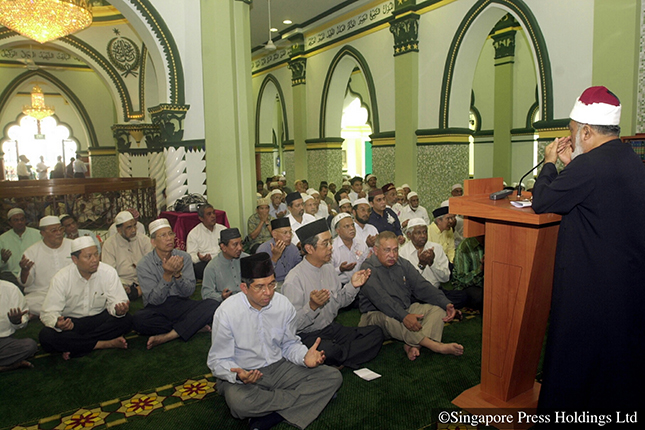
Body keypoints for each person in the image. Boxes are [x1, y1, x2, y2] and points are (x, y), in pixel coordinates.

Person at [532, 86, 645, 412]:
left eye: (571, 130)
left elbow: (542, 201)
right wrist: (574, 164)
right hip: (625, 288)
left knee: (575, 363)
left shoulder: (590, 166)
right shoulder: (630, 159)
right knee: (614, 366)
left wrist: (551, 163)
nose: (570, 136)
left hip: (589, 290)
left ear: (585, 130)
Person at [208, 252, 342, 430]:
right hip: (245, 374)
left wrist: (304, 357)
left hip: (279, 367)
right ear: (244, 287)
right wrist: (238, 375)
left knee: (332, 377)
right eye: (260, 287)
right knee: (239, 403)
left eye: (272, 284)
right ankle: (305, 398)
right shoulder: (227, 312)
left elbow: (289, 344)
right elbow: (217, 361)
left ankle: (272, 416)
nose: (268, 292)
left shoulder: (282, 304)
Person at [283, 219, 383, 369]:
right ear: (310, 248)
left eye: (330, 242)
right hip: (308, 336)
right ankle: (338, 357)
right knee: (329, 350)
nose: (331, 248)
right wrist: (312, 306)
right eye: (326, 244)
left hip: (331, 329)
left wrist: (353, 285)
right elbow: (292, 327)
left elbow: (340, 302)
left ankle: (338, 360)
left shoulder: (328, 268)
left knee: (376, 333)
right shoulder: (293, 280)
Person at [359, 231, 464, 361]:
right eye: (387, 250)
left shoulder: (403, 264)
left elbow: (422, 286)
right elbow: (382, 301)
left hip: (404, 309)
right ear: (375, 250)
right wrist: (404, 316)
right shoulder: (367, 268)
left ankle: (413, 345)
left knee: (437, 309)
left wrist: (446, 303)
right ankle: (435, 346)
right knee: (391, 317)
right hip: (375, 316)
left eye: (395, 250)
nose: (392, 255)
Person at [39, 237, 132, 360]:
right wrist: (58, 323)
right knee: (46, 336)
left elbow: (117, 301)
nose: (95, 260)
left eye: (96, 254)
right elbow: (48, 312)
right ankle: (103, 344)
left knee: (127, 320)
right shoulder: (61, 278)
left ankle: (78, 346)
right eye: (88, 257)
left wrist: (119, 310)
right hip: (72, 324)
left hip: (99, 320)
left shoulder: (108, 272)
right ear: (75, 259)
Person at [133, 218, 219, 349]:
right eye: (163, 235)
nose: (169, 239)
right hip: (158, 308)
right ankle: (192, 325)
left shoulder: (184, 257)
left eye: (170, 234)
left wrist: (178, 275)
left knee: (213, 305)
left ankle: (169, 335)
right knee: (138, 320)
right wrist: (167, 276)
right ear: (153, 241)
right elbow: (154, 301)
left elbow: (189, 291)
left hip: (181, 304)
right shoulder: (144, 265)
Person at [398, 219, 468, 309]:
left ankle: (433, 307)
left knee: (462, 296)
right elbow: (406, 283)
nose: (423, 236)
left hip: (435, 291)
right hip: (415, 294)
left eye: (425, 232)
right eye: (418, 233)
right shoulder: (402, 253)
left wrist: (432, 263)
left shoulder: (437, 248)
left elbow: (445, 278)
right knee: (407, 301)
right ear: (409, 235)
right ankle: (438, 307)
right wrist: (421, 265)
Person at [19, 216, 73, 316]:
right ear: (43, 233)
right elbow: (25, 283)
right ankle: (63, 311)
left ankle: (47, 312)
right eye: (54, 230)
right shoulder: (31, 252)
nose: (59, 233)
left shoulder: (73, 246)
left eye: (60, 229)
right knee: (27, 302)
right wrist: (25, 271)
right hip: (43, 294)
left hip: (71, 292)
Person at [101, 210, 153, 301]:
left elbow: (151, 265)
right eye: (129, 227)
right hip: (122, 284)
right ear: (119, 230)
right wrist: (122, 285)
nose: (133, 230)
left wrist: (143, 285)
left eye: (134, 226)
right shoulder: (109, 244)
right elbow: (109, 271)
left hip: (143, 281)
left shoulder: (144, 240)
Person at [202, 228, 249, 302]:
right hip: (226, 305)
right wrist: (221, 297)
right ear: (223, 247)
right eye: (235, 244)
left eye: (241, 243)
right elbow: (206, 294)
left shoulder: (248, 259)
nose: (240, 248)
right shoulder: (212, 267)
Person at [0, 280, 38, 371]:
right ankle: (6, 366)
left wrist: (17, 321)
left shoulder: (11, 289)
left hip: (3, 341)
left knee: (29, 346)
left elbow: (23, 319)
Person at [256, 218, 301, 289]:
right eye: (285, 233)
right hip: (272, 286)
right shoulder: (263, 249)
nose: (289, 235)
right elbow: (260, 276)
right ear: (274, 234)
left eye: (290, 232)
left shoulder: (293, 248)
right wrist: (274, 258)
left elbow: (299, 269)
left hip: (292, 283)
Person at [0, 208, 41, 286]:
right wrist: (3, 260)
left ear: (25, 220)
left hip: (35, 273)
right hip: (11, 277)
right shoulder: (2, 239)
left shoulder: (38, 234)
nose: (20, 222)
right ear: (10, 223)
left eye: (22, 219)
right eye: (16, 220)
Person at [186, 203, 227, 280]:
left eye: (213, 213)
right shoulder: (194, 233)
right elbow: (190, 256)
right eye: (209, 214)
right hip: (206, 263)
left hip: (223, 260)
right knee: (198, 268)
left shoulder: (223, 230)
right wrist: (200, 258)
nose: (213, 216)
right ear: (201, 218)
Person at [331, 213, 369, 286]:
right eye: (347, 226)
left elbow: (366, 264)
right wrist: (340, 269)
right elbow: (326, 274)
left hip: (361, 283)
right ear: (338, 231)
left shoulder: (361, 244)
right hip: (339, 286)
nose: (352, 228)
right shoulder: (332, 248)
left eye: (352, 225)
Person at [451, 236, 484, 310]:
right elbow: (462, 280)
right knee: (483, 297)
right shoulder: (464, 247)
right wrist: (481, 269)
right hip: (466, 286)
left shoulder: (490, 244)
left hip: (483, 282)